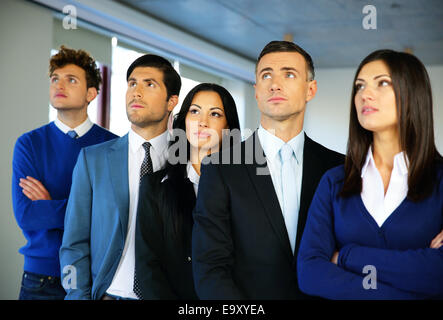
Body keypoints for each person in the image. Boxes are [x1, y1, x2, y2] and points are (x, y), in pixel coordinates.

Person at [191, 41, 344, 299]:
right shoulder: (220, 168)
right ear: (256, 91)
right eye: (266, 75)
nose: (275, 83)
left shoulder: (339, 168)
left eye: (289, 74)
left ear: (311, 89)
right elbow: (210, 268)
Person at [297, 49, 443, 299]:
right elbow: (310, 273)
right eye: (359, 86)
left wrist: (345, 256)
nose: (365, 94)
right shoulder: (334, 182)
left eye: (382, 83)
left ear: (413, 93)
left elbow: (438, 274)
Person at [59, 54, 181, 300]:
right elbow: (74, 244)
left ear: (172, 101)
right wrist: (77, 296)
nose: (136, 92)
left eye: (149, 84)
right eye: (132, 83)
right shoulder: (92, 160)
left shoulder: (187, 162)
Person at [11, 46, 118, 300]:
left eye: (71, 80)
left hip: (96, 278)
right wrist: (87, 209)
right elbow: (27, 215)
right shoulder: (29, 144)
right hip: (41, 278)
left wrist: (51, 205)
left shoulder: (113, 147)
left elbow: (114, 216)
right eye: (55, 79)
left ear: (91, 93)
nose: (60, 85)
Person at [135, 83, 241, 299]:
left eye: (215, 114)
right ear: (183, 121)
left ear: (228, 127)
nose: (202, 122)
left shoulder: (246, 187)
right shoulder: (155, 186)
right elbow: (149, 267)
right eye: (195, 111)